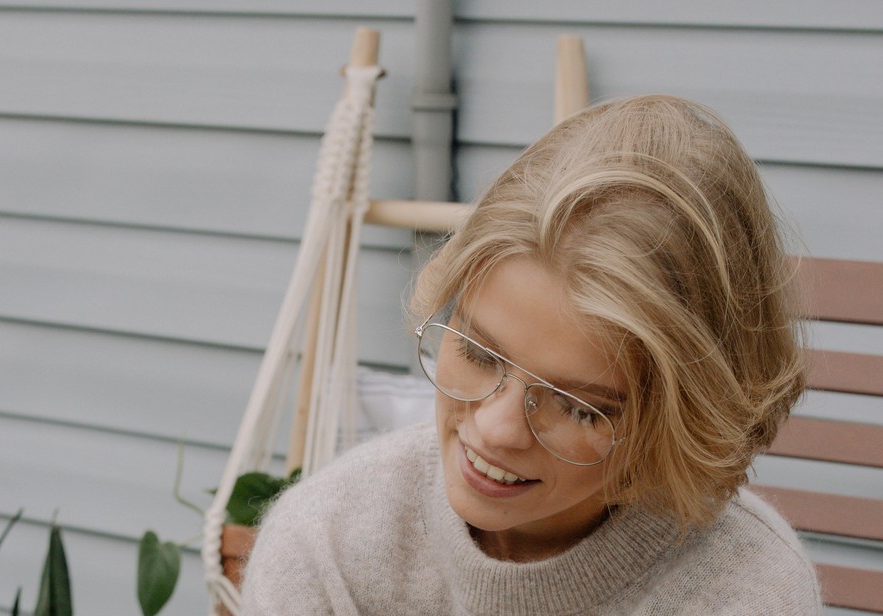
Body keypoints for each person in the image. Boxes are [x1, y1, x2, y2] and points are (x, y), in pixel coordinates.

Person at [239, 95, 821, 615]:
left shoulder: (745, 592)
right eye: (478, 352)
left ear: (683, 428)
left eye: (579, 409)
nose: (494, 431)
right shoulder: (327, 545)